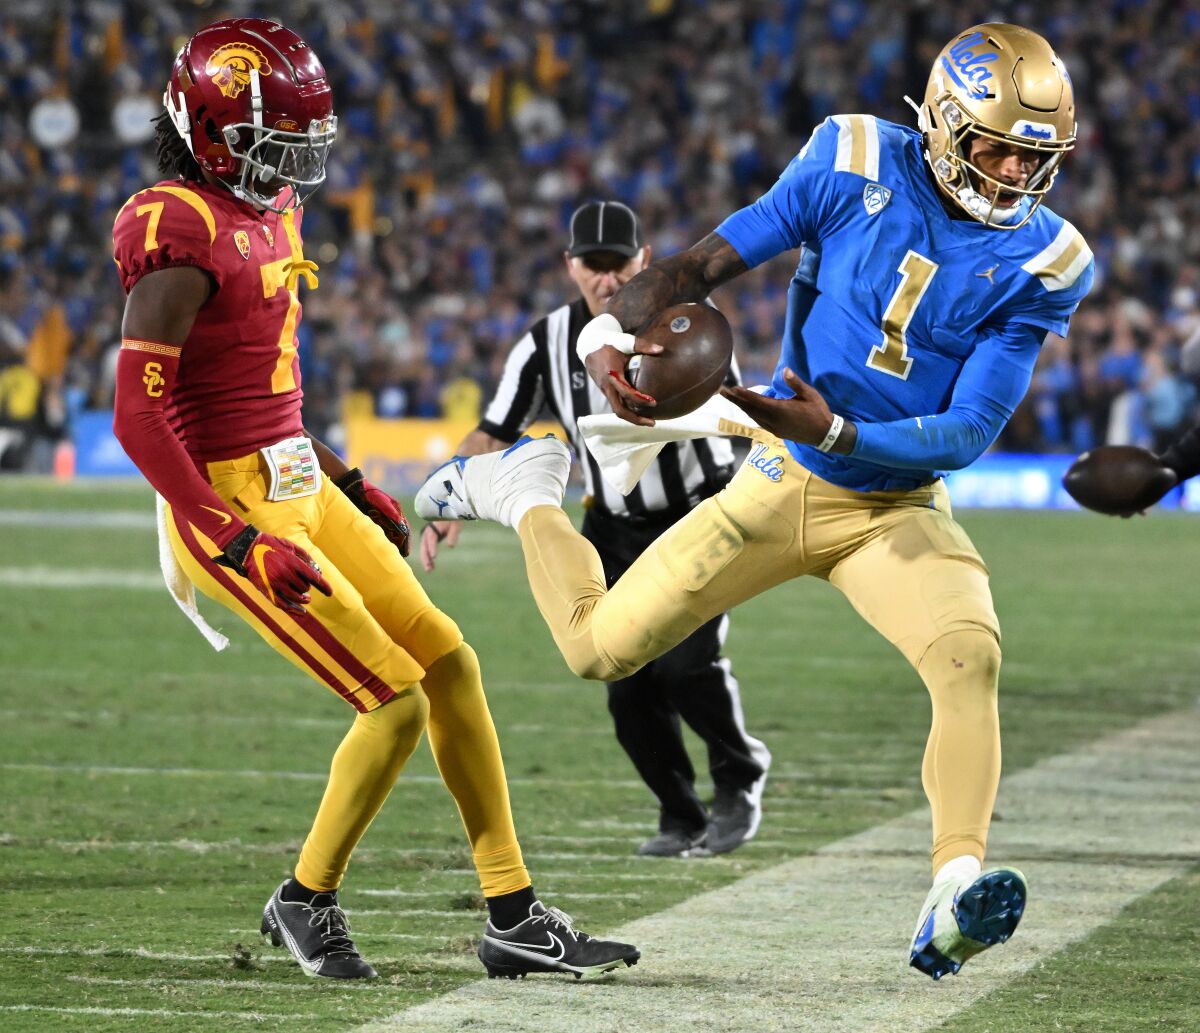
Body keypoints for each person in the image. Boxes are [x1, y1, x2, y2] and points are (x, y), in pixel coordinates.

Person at [415, 23, 1092, 979]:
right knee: (596, 648)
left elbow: (971, 428)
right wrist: (607, 332)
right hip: (779, 478)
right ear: (943, 121)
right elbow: (695, 270)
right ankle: (519, 491)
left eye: (1035, 157)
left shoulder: (1049, 261)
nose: (1013, 176)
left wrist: (842, 434)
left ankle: (952, 887)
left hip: (892, 504)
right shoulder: (851, 157)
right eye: (996, 148)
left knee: (969, 654)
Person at [111, 17, 638, 982]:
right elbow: (140, 420)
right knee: (391, 702)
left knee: (451, 665)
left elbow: (265, 383)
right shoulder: (173, 223)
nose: (297, 164)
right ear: (215, 131)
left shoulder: (268, 209)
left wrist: (345, 474)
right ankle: (303, 900)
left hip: (299, 479)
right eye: (279, 143)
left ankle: (513, 912)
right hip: (231, 506)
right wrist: (228, 539)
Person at [421, 200, 771, 858]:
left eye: (621, 265)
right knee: (624, 682)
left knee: (686, 663)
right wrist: (451, 494)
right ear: (571, 265)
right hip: (610, 523)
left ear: (644, 262)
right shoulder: (545, 342)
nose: (608, 280)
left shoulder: (686, 320)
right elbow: (494, 429)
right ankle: (680, 814)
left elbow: (733, 414)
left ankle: (739, 781)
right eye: (595, 265)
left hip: (698, 510)